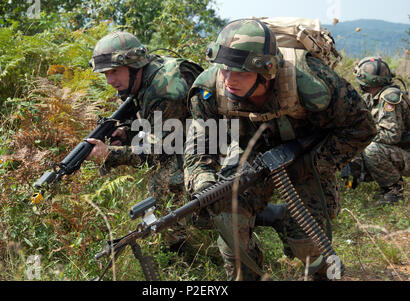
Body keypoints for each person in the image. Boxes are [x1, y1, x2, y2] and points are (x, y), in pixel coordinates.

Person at [184, 18, 377, 280]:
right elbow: (200, 144)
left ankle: (321, 270)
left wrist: (314, 163)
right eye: (224, 70)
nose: (228, 80)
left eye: (240, 72)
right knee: (227, 217)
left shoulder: (311, 81)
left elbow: (361, 126)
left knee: (306, 238)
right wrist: (203, 180)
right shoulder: (208, 89)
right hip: (250, 152)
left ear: (266, 71)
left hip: (307, 154)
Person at [86, 31, 203, 249]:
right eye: (105, 74)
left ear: (134, 64)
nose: (110, 81)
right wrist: (126, 132)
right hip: (190, 139)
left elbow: (159, 151)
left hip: (218, 146)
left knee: (164, 182)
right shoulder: (145, 76)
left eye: (114, 72)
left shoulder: (165, 87)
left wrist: (110, 154)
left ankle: (182, 249)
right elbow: (155, 122)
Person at [347, 56, 409, 204]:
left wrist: (363, 135)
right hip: (397, 151)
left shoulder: (389, 98)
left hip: (405, 152)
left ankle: (394, 191)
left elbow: (391, 135)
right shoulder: (372, 96)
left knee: (371, 149)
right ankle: (352, 181)